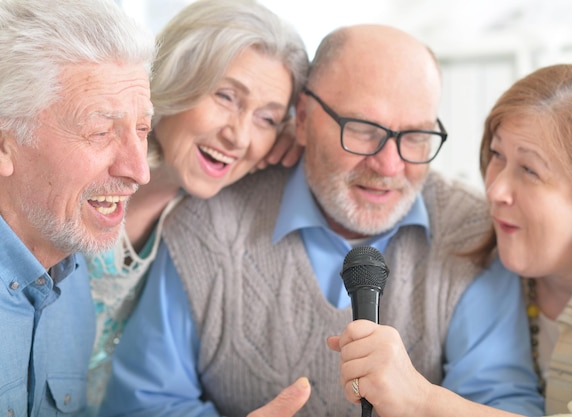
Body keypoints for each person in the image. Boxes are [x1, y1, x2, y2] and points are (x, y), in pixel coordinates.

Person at [100, 24, 544, 417]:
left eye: (415, 136)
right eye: (364, 130)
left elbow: (501, 404)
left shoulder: (473, 233)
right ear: (305, 120)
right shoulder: (207, 221)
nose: (389, 165)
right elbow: (143, 403)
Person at [329, 63, 572, 417]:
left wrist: (420, 400)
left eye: (530, 170)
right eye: (497, 155)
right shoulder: (485, 264)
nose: (495, 189)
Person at [84, 0, 309, 413]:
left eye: (267, 119)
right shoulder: (79, 171)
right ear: (176, 75)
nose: (239, 136)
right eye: (226, 96)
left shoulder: (202, 207)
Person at [0, 0, 154, 415]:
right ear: (3, 144)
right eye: (101, 131)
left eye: (142, 130)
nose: (139, 171)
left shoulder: (73, 274)